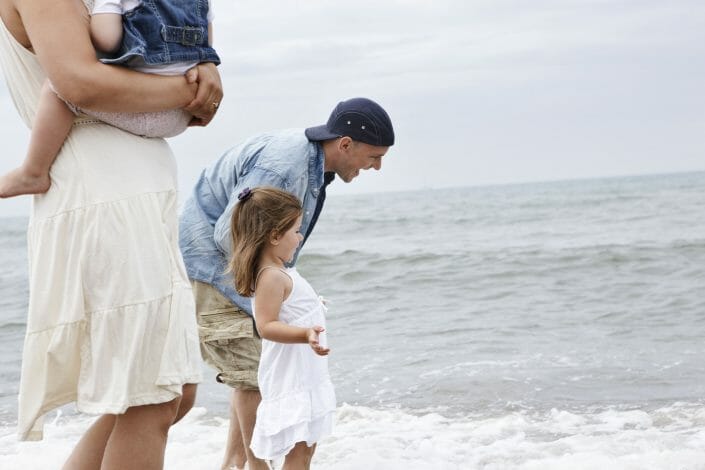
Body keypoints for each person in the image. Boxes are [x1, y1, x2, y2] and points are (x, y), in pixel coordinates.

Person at [0, 0, 223, 468]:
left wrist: (201, 70)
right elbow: (78, 82)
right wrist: (191, 91)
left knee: (168, 392)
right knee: (153, 394)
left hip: (133, 190)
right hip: (102, 188)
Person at [179, 97, 395, 470]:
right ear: (345, 144)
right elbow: (231, 233)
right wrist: (273, 285)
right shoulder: (285, 167)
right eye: (374, 156)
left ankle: (234, 464)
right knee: (251, 378)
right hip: (213, 268)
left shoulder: (312, 161)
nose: (376, 166)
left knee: (252, 374)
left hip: (231, 268)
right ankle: (256, 466)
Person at [0, 0, 219, 198]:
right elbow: (205, 45)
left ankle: (33, 172)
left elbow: (101, 49)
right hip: (173, 127)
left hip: (97, 186)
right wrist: (199, 85)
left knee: (57, 88)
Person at [229, 186, 335, 469]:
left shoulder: (281, 272)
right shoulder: (271, 277)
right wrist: (305, 333)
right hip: (291, 379)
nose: (300, 238)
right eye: (296, 231)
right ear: (275, 235)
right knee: (298, 453)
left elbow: (291, 308)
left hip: (306, 375)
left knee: (306, 450)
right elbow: (266, 326)